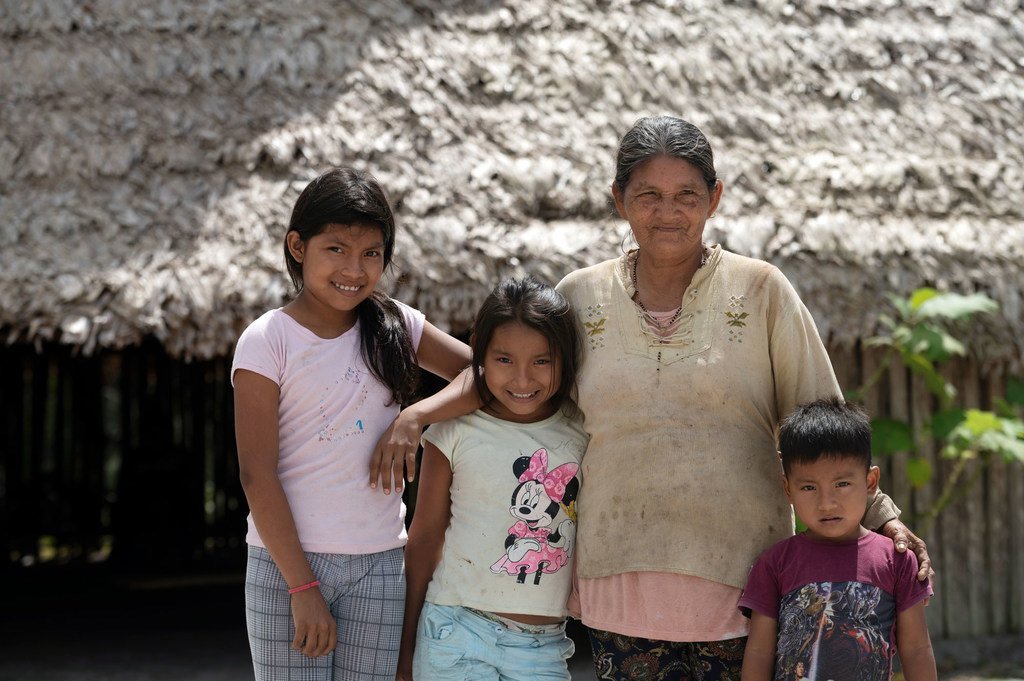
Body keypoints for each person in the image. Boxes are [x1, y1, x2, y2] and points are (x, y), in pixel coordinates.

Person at [371, 116, 932, 680]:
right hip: (620, 579)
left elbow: (822, 420)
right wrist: (419, 413)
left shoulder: (762, 291)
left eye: (686, 194)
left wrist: (883, 520)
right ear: (619, 199)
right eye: (648, 195)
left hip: (742, 584)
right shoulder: (579, 296)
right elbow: (505, 377)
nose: (668, 211)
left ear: (714, 198)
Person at [232, 167, 470, 681]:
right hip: (287, 567)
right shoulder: (267, 340)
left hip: (380, 564)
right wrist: (302, 588)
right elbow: (256, 474)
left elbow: (481, 375)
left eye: (371, 253)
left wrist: (415, 416)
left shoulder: (398, 325)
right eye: (336, 249)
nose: (354, 269)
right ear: (297, 246)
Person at [397, 276, 589, 681]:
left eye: (542, 361)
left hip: (543, 647)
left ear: (566, 359)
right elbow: (425, 537)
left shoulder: (582, 432)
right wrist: (407, 644)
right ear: (480, 356)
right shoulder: (452, 430)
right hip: (453, 631)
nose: (522, 380)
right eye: (504, 360)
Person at [739, 398, 936, 681]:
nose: (826, 503)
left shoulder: (897, 560)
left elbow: (917, 649)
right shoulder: (774, 564)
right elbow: (759, 653)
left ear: (870, 483)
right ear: (787, 488)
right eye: (808, 487)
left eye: (842, 484)